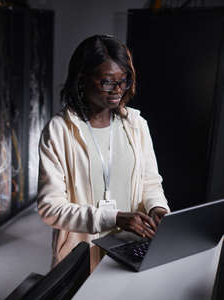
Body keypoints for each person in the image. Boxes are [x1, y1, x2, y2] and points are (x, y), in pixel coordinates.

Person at [37, 35, 170, 271]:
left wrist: (157, 208)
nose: (118, 90)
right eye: (108, 82)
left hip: (132, 248)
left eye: (124, 80)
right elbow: (50, 208)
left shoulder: (137, 125)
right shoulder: (58, 131)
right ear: (82, 80)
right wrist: (114, 218)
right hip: (82, 255)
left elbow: (150, 182)